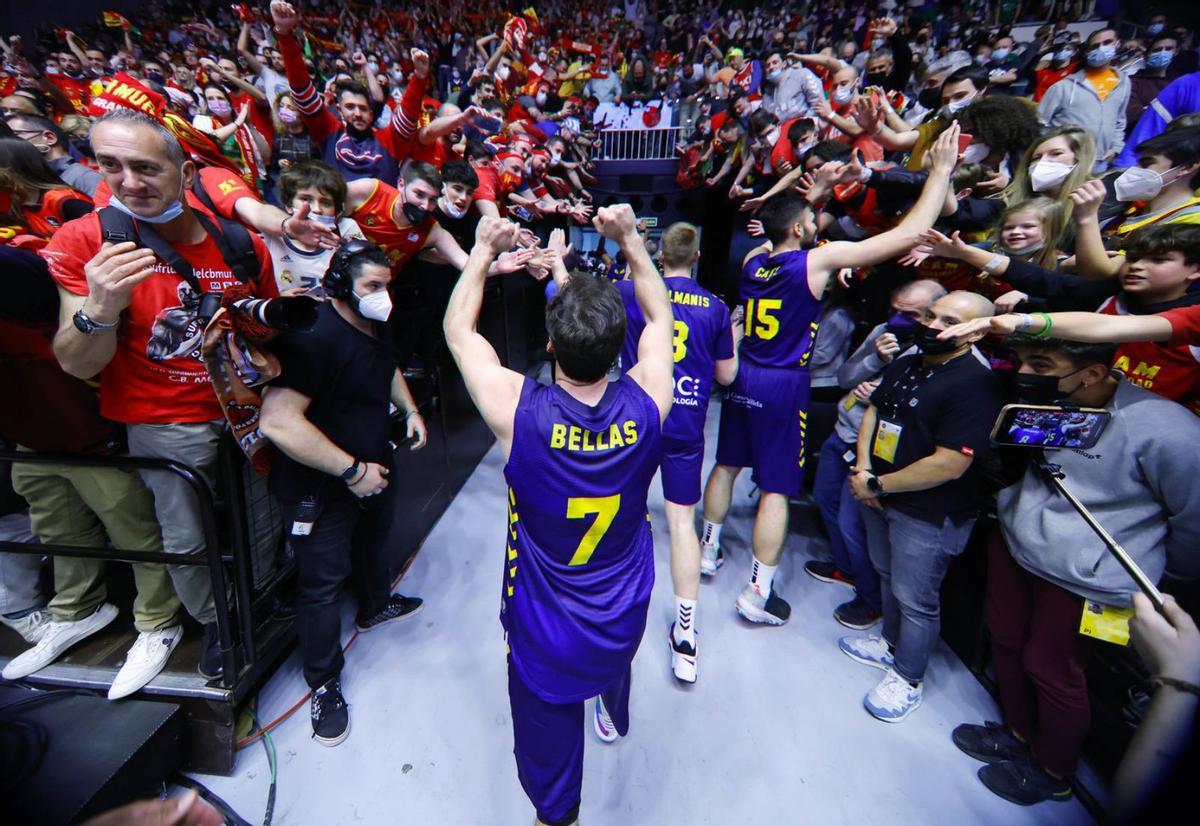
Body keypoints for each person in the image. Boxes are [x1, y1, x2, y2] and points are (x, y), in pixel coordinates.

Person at [444, 205, 672, 826]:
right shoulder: (652, 395)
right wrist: (628, 240)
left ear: (549, 346)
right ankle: (611, 708)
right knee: (611, 666)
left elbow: (457, 332)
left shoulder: (518, 410)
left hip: (546, 620)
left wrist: (483, 250)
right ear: (620, 345)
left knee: (550, 751)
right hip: (622, 604)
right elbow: (659, 313)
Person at [39, 108, 280, 679]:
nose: (128, 182)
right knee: (185, 532)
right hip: (164, 419)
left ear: (186, 172)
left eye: (146, 167)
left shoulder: (239, 241)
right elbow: (75, 363)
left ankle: (263, 595)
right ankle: (218, 619)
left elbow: (269, 326)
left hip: (247, 407)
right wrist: (100, 307)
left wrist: (260, 343)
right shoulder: (85, 241)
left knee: (262, 512)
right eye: (110, 166)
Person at [699, 122, 963, 626]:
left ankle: (709, 553)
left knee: (727, 465)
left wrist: (816, 189)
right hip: (783, 384)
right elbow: (907, 235)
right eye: (811, 219)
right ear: (801, 229)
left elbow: (793, 222)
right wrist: (941, 173)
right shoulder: (819, 262)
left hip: (746, 376)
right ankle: (758, 594)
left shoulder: (754, 262)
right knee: (776, 488)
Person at [953, 335, 1200, 804]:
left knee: (1051, 667)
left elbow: (1193, 520)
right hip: (1019, 543)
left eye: (1041, 363)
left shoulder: (1168, 430)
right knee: (1005, 641)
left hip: (1090, 576)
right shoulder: (1044, 401)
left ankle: (1053, 769)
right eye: (1023, 360)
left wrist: (1168, 581)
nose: (1025, 371)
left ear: (1092, 373)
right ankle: (1018, 733)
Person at [259, 239, 427, 746]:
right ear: (340, 286)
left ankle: (374, 606)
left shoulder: (374, 324)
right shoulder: (312, 338)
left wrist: (411, 410)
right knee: (321, 585)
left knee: (374, 541)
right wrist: (353, 472)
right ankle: (323, 681)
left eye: (386, 286)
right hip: (324, 484)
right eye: (372, 287)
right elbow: (278, 423)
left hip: (375, 464)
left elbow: (387, 366)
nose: (383, 297)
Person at [841, 290, 1003, 722]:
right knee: (888, 574)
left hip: (930, 509)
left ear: (973, 333)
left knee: (916, 598)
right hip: (879, 491)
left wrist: (878, 483)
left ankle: (908, 676)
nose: (933, 325)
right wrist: (863, 470)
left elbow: (950, 464)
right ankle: (889, 642)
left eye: (949, 320)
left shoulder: (977, 384)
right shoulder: (909, 360)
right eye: (930, 315)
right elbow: (874, 411)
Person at [614, 222, 738, 683]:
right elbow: (726, 376)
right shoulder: (717, 308)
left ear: (658, 254)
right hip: (686, 426)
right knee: (683, 524)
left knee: (623, 518)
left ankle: (614, 621)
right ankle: (685, 638)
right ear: (699, 255)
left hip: (637, 421)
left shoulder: (630, 292)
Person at [809, 280, 946, 631]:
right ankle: (846, 569)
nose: (899, 319)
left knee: (853, 525)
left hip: (876, 449)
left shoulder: (939, 349)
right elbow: (845, 377)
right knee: (825, 501)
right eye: (895, 310)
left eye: (911, 314)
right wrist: (875, 357)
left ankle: (870, 600)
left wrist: (882, 396)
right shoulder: (885, 332)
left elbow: (927, 411)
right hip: (844, 431)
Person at [270, 1, 429, 183]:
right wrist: (284, 34)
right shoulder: (329, 132)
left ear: (371, 112)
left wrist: (419, 76)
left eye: (362, 108)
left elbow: (408, 118)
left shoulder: (388, 141)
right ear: (339, 109)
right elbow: (302, 92)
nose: (357, 113)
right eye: (350, 107)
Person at [1037, 28, 1131, 171]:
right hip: (1066, 161)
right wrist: (1051, 152)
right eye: (1095, 46)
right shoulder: (1064, 86)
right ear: (1087, 52)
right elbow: (1040, 123)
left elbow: (1119, 119)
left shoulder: (1123, 83)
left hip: (1100, 159)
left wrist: (1116, 147)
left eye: (1107, 43)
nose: (1101, 49)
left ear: (1117, 44)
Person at [267, 160, 364, 294]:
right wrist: (277, 299)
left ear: (337, 210)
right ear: (288, 206)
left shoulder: (346, 230)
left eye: (326, 203)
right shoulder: (270, 234)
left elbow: (365, 282)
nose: (317, 209)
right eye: (306, 200)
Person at [5, 112, 102, 197]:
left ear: (49, 138)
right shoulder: (30, 183)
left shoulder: (84, 178)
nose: (9, 143)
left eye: (15, 136)